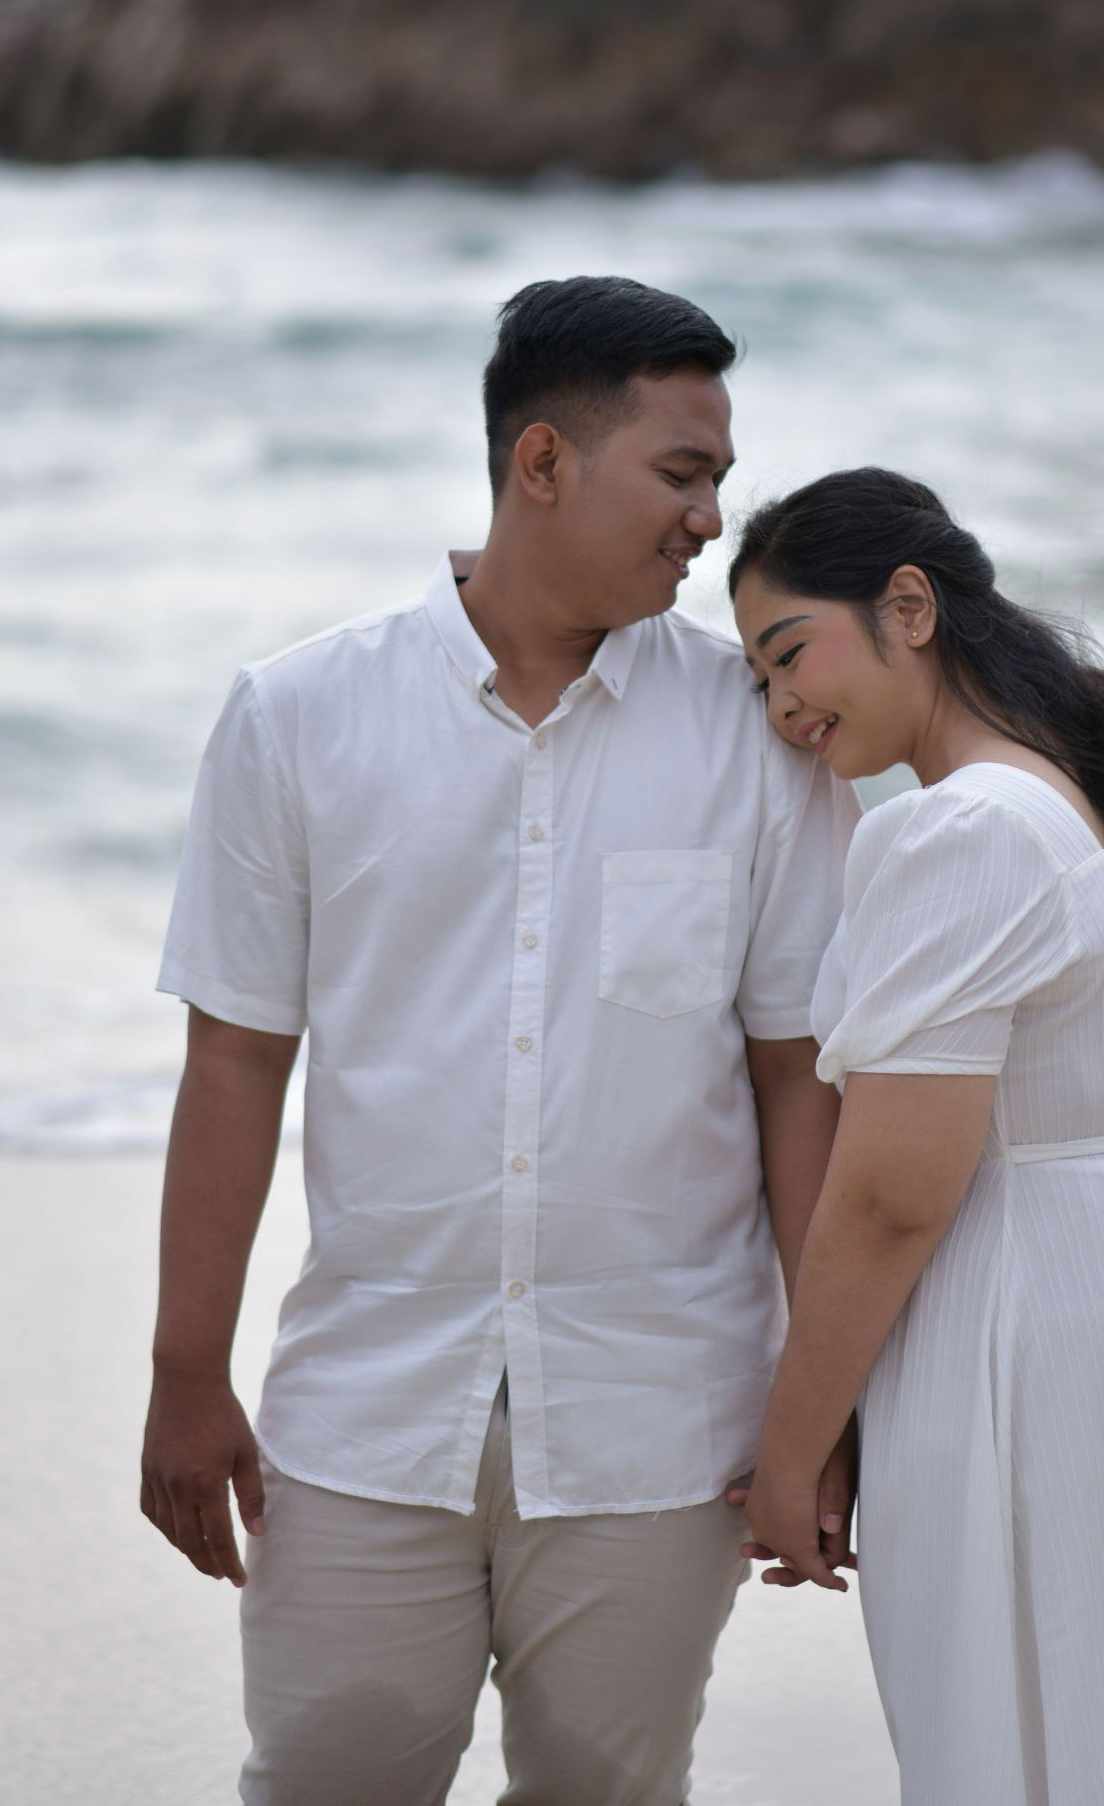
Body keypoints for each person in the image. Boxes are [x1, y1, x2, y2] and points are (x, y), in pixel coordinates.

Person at [140, 276, 861, 1806]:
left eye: (717, 479)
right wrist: (184, 1371)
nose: (709, 521)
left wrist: (821, 1398)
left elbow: (796, 1078)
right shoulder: (297, 714)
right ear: (542, 461)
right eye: (681, 474)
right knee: (324, 1780)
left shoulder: (755, 733)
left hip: (661, 1417)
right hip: (366, 1407)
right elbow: (235, 1059)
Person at [729, 469, 1104, 1806]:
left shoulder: (961, 830)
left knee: (1019, 1717)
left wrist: (791, 1448)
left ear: (908, 607)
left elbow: (893, 1196)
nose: (781, 709)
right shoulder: (1076, 786)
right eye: (758, 681)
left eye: (790, 653)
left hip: (1034, 1306)